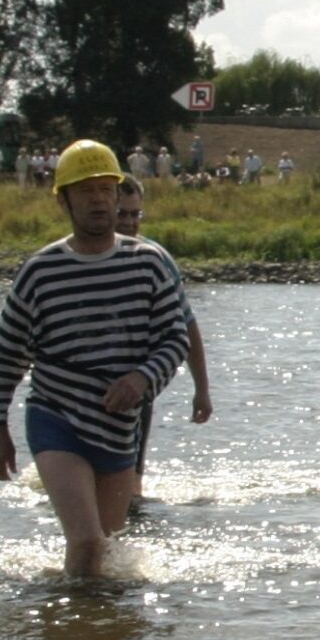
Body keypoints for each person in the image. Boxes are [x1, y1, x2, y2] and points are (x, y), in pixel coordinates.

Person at [0, 141, 190, 577]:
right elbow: (7, 351)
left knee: (105, 554)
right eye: (85, 191)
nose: (98, 200)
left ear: (118, 196)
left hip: (117, 427)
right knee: (86, 540)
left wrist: (143, 378)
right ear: (64, 200)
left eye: (105, 190)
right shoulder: (41, 271)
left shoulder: (149, 264)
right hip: (56, 418)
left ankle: (97, 634)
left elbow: (175, 338)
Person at [113, 176, 215, 487]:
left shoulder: (155, 259)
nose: (130, 223)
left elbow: (186, 327)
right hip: (83, 385)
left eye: (136, 214)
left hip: (136, 384)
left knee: (130, 486)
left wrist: (202, 390)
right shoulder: (73, 255)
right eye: (123, 214)